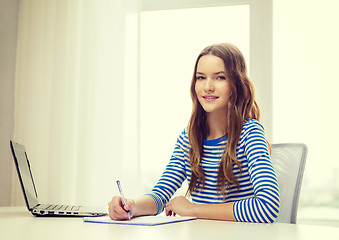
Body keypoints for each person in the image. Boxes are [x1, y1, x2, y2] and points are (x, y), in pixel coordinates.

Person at [108, 43, 280, 223]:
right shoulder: (188, 139)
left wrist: (192, 209)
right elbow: (160, 195)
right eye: (200, 77)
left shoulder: (250, 133)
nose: (208, 86)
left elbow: (267, 207)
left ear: (236, 84)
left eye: (220, 77)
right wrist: (131, 206)